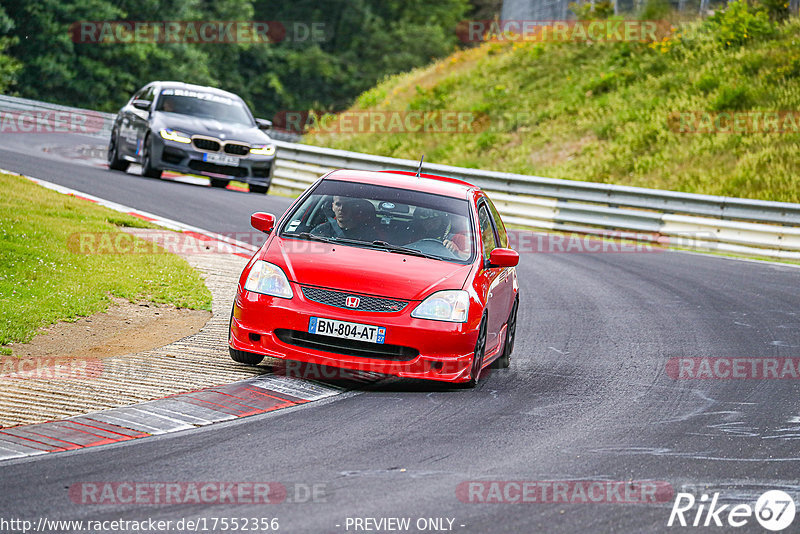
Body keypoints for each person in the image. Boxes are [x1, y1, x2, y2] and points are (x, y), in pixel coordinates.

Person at [311, 196, 376, 241]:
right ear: (333, 207)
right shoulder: (320, 231)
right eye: (338, 204)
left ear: (354, 208)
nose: (341, 209)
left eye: (346, 205)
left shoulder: (367, 235)